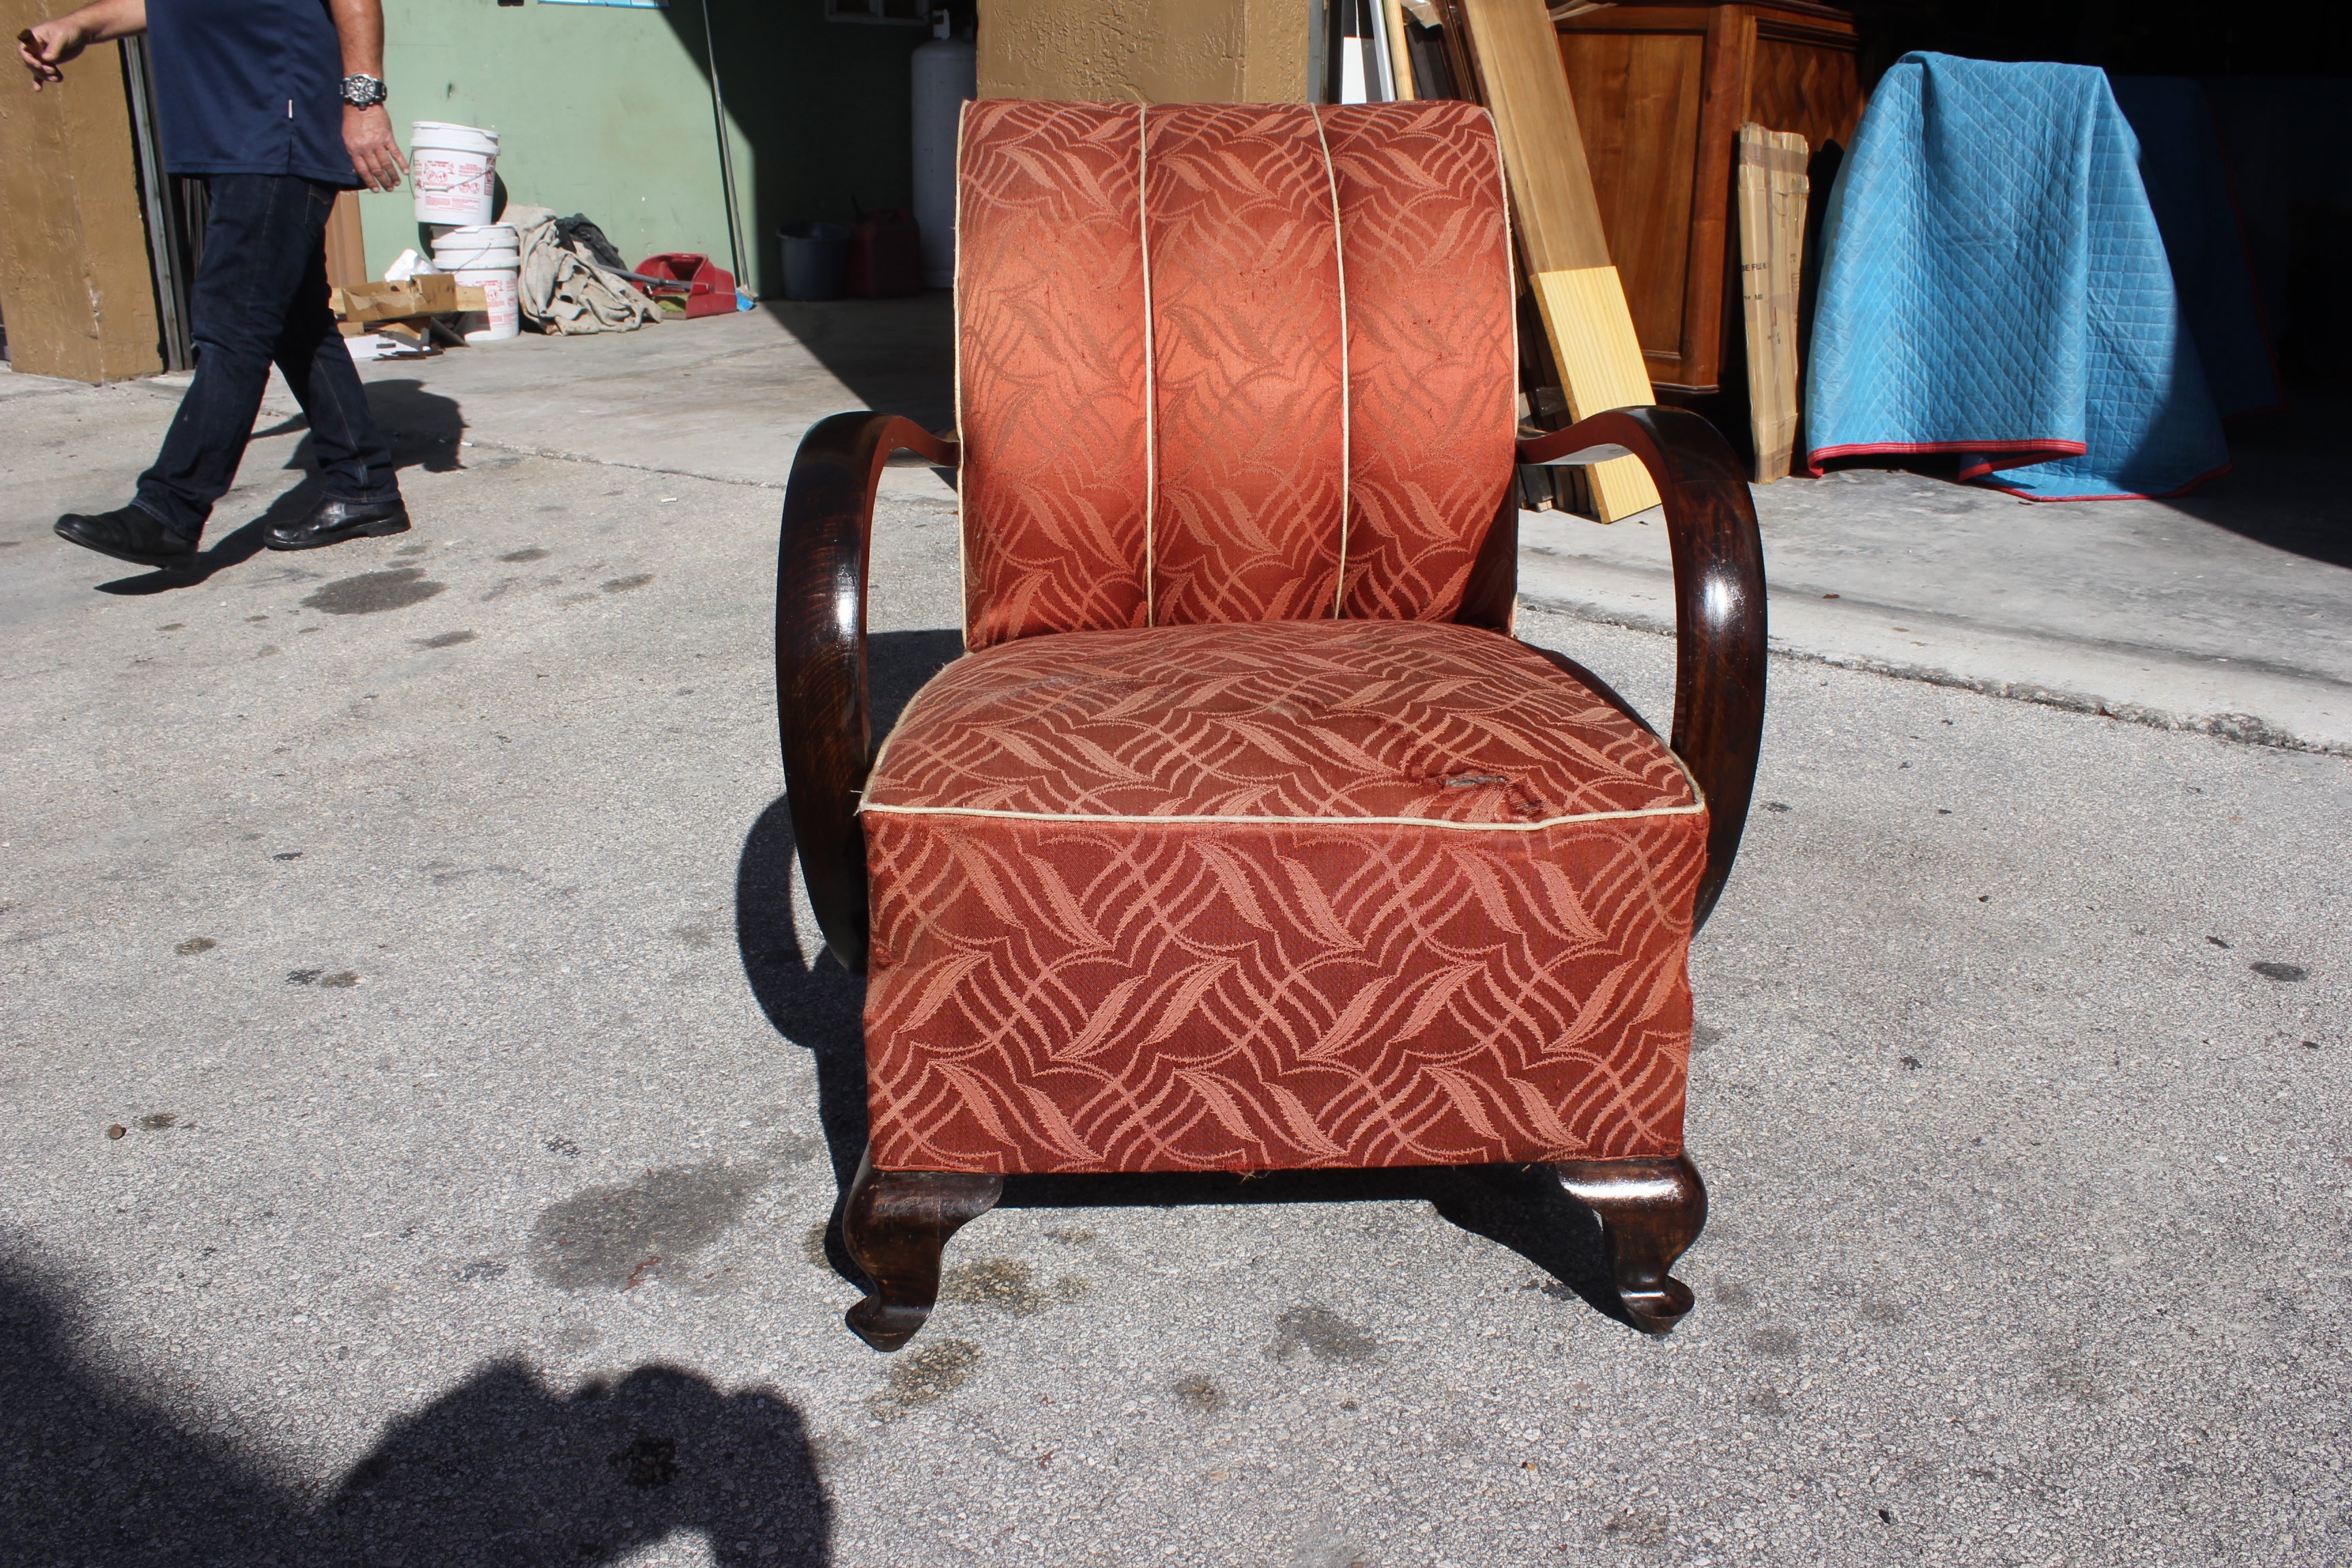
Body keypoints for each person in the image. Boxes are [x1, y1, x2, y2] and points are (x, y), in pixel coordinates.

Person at [20, 0, 414, 571]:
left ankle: (169, 511)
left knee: (233, 323)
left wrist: (363, 101)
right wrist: (81, 24)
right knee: (296, 324)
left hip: (275, 128)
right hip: (238, 136)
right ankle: (364, 487)